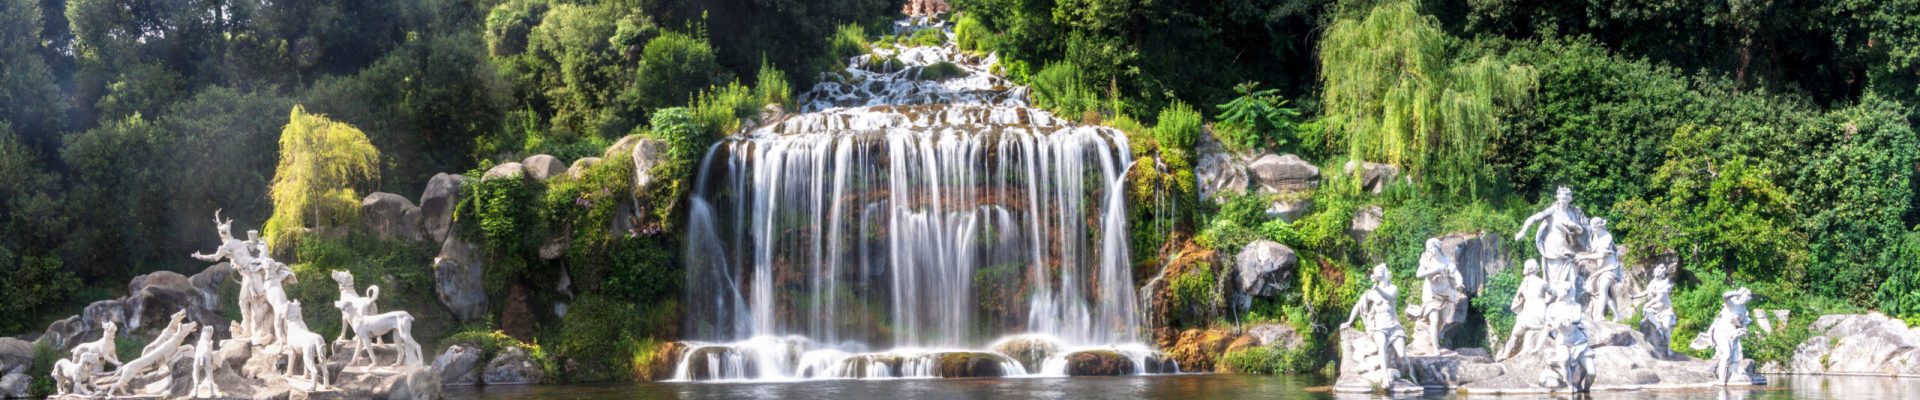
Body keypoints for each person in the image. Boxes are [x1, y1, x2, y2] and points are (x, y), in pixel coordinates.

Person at [1343, 264, 1407, 377]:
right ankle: (1385, 377)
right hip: (1379, 327)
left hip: (1393, 325)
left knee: (1402, 355)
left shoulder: (1393, 288)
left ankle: (1408, 373)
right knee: (1381, 345)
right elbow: (1358, 306)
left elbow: (1389, 297)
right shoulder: (1371, 293)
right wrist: (1349, 321)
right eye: (1386, 271)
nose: (1388, 273)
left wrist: (1377, 289)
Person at [1411, 238, 1465, 353]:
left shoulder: (1446, 261)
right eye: (1429, 248)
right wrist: (1434, 270)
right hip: (1431, 295)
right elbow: (1419, 274)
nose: (1431, 250)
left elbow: (1457, 274)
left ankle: (1433, 340)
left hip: (1445, 295)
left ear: (1438, 248)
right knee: (1434, 321)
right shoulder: (1426, 260)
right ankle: (1435, 348)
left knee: (1442, 321)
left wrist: (1459, 283)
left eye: (1432, 247)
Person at [1631, 263, 1678, 358]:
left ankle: (1668, 348)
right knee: (1646, 317)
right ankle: (1656, 328)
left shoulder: (1665, 283)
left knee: (1666, 329)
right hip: (1654, 309)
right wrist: (1634, 296)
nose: (1658, 272)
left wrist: (1647, 304)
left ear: (1663, 273)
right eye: (1657, 270)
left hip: (1665, 310)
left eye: (1660, 271)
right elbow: (1646, 292)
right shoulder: (1653, 282)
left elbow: (1658, 298)